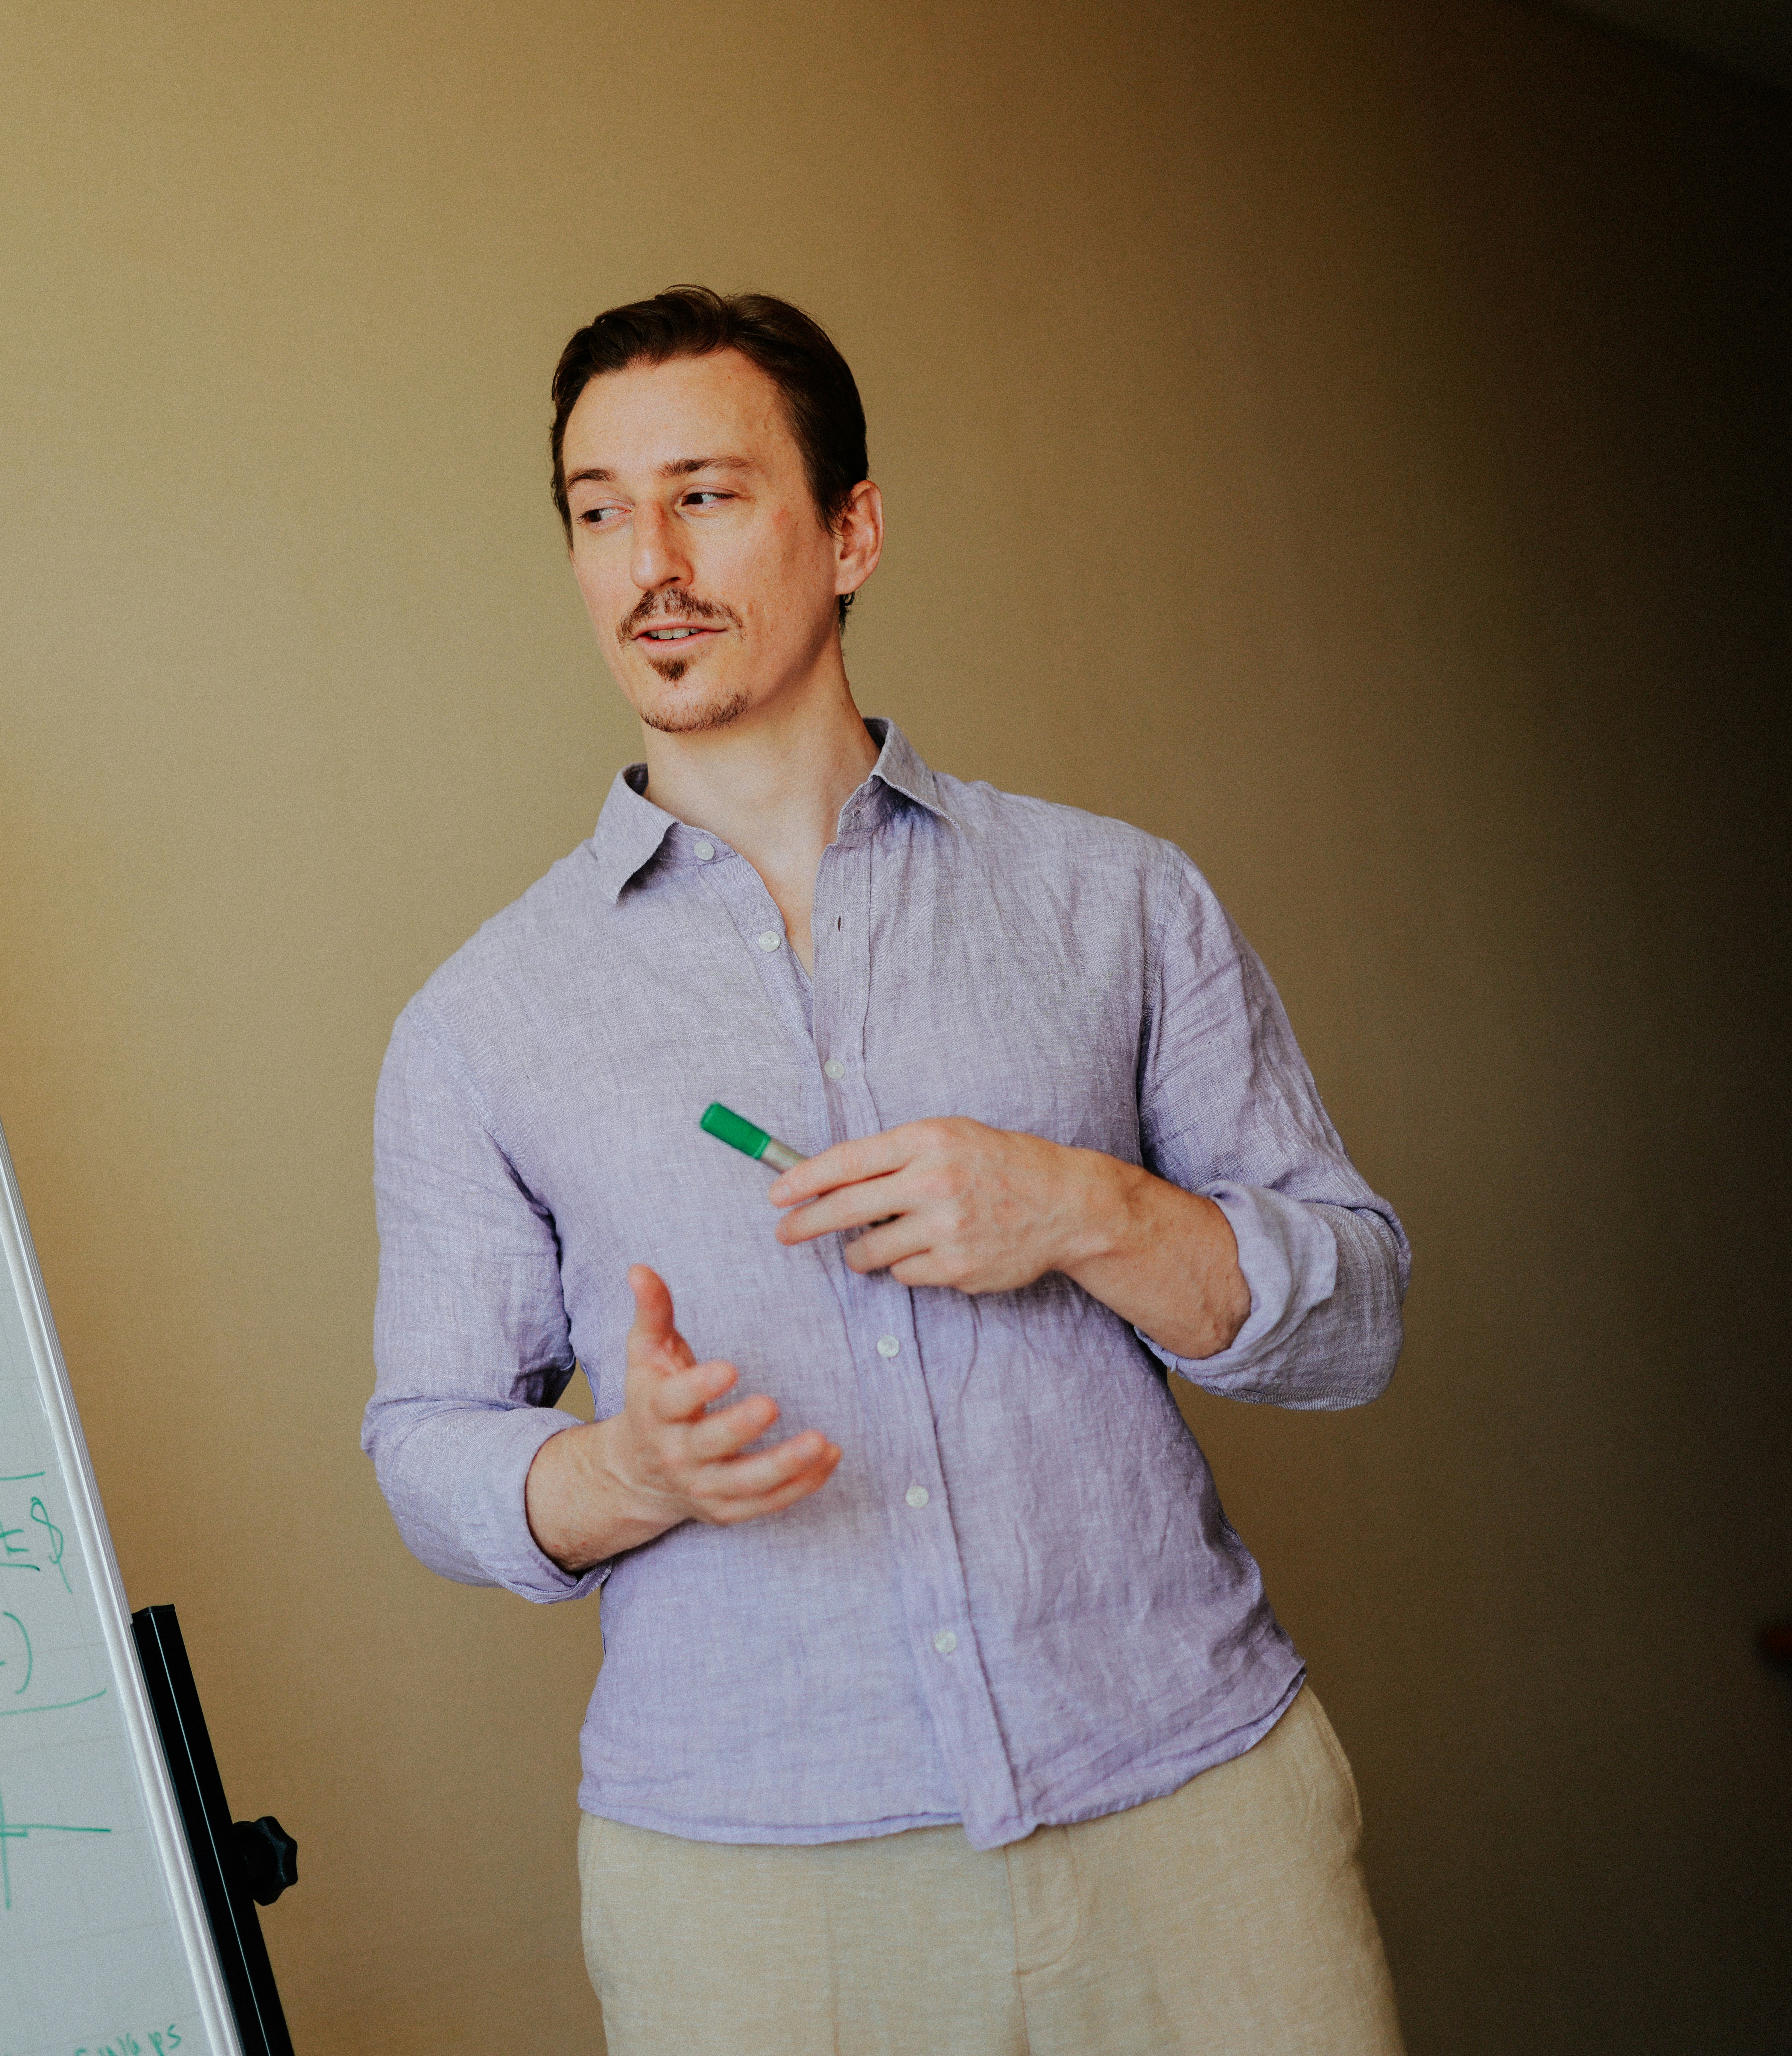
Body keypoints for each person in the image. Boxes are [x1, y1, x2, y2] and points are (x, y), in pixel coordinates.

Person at [363, 287, 1410, 2056]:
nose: (648, 564)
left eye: (704, 493)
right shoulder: (480, 1021)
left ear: (848, 530)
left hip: (1188, 1806)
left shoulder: (1116, 899)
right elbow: (422, 1444)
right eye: (598, 510)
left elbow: (1355, 1311)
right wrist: (621, 1469)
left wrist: (1085, 1208)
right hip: (755, 1901)